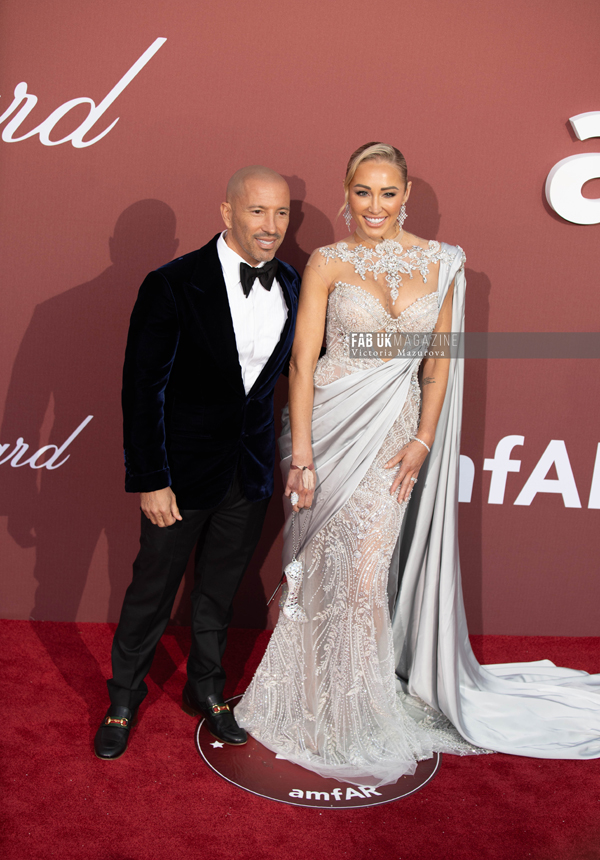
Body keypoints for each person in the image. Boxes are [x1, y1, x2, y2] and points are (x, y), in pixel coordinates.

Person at [235, 143, 600, 787]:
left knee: (365, 573)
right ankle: (314, 700)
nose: (374, 206)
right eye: (362, 192)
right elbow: (302, 363)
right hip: (329, 429)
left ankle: (356, 708)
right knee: (324, 568)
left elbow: (440, 361)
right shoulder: (328, 262)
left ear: (405, 196)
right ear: (347, 193)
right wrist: (302, 453)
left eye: (387, 193)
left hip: (395, 435)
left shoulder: (444, 262)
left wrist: (425, 438)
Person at [94, 167, 301, 760]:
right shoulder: (172, 283)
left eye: (281, 213)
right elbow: (142, 390)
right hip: (178, 476)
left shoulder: (292, 281)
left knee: (218, 592)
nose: (271, 225)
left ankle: (206, 690)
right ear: (227, 212)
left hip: (249, 471)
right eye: (257, 211)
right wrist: (151, 479)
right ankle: (123, 699)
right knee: (152, 590)